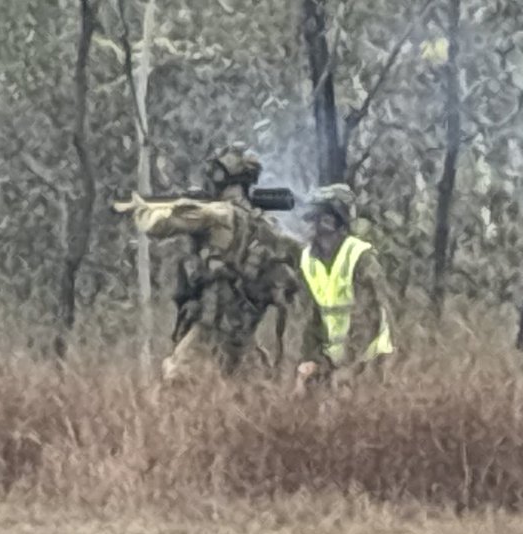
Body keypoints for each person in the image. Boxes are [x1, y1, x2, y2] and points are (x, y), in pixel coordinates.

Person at [124, 144, 301, 383]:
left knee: (177, 385)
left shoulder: (218, 213)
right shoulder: (265, 225)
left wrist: (144, 210)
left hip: (209, 329)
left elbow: (156, 225)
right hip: (243, 331)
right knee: (253, 399)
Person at [296, 184, 394, 392]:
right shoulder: (308, 259)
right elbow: (310, 317)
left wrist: (351, 365)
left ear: (332, 220)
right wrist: (310, 360)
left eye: (317, 217)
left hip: (369, 358)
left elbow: (368, 317)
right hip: (334, 357)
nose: (309, 223)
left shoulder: (360, 256)